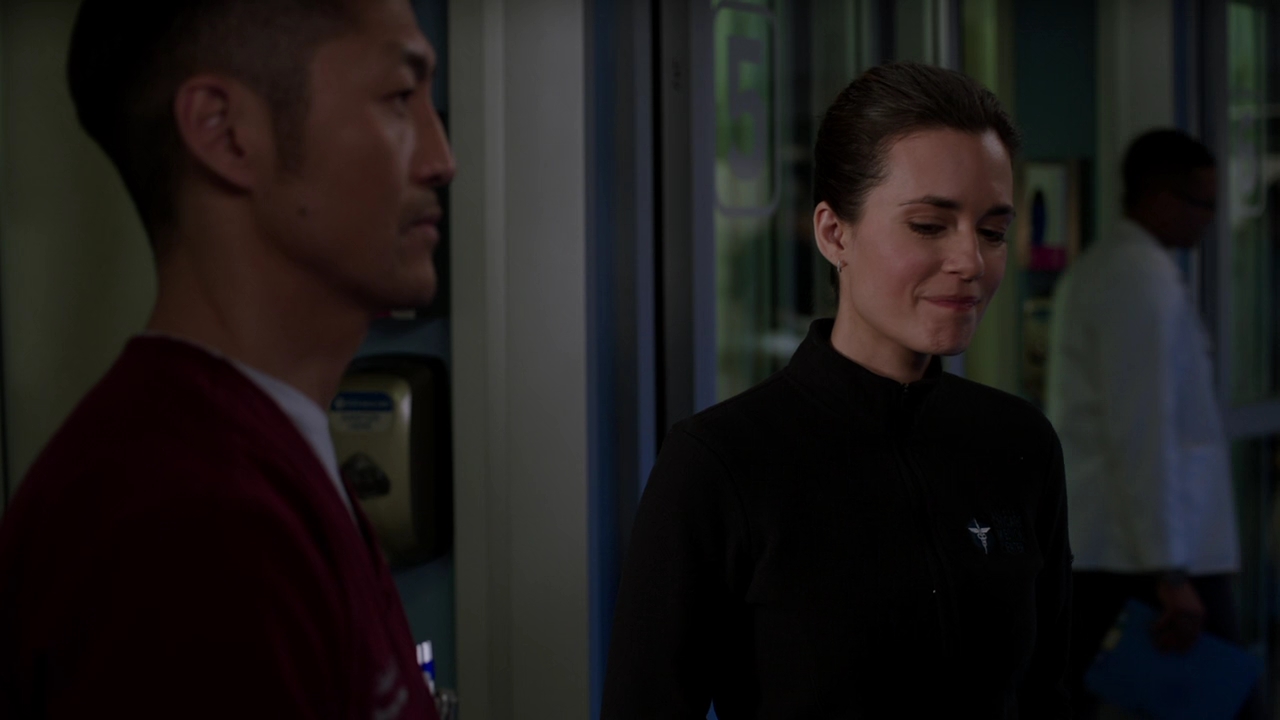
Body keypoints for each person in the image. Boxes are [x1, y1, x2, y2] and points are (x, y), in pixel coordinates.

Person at [0, 0, 455, 717]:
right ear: (227, 133)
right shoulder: (187, 530)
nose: (441, 159)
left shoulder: (261, 463)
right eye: (399, 97)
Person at [602, 62, 1071, 718]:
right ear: (833, 233)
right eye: (929, 225)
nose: (971, 261)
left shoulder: (1019, 444)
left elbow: (1049, 692)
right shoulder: (719, 463)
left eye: (992, 231)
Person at [1047, 129, 1246, 718]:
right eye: (1202, 203)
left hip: (1131, 547)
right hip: (1144, 556)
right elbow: (1144, 434)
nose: (1210, 219)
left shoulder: (1120, 269)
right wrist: (1170, 570)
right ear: (1160, 200)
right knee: (1227, 701)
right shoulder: (1136, 279)